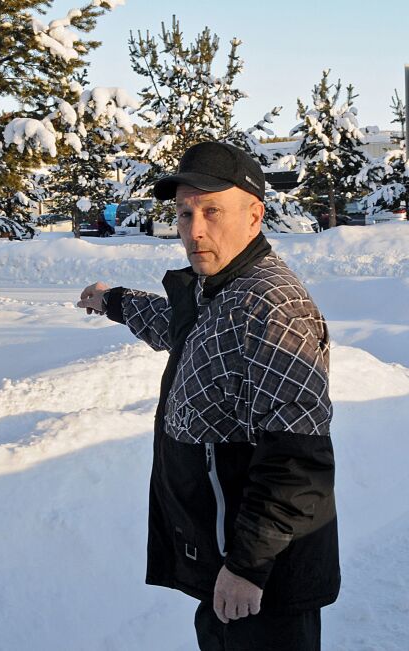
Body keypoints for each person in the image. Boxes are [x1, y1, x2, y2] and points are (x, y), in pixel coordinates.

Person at [77, 141, 339, 650]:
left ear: (255, 215)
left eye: (212, 211)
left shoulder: (270, 305)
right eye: (184, 213)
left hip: (264, 581)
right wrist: (115, 301)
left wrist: (247, 566)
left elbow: (296, 460)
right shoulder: (219, 286)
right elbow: (188, 333)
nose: (194, 230)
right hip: (227, 562)